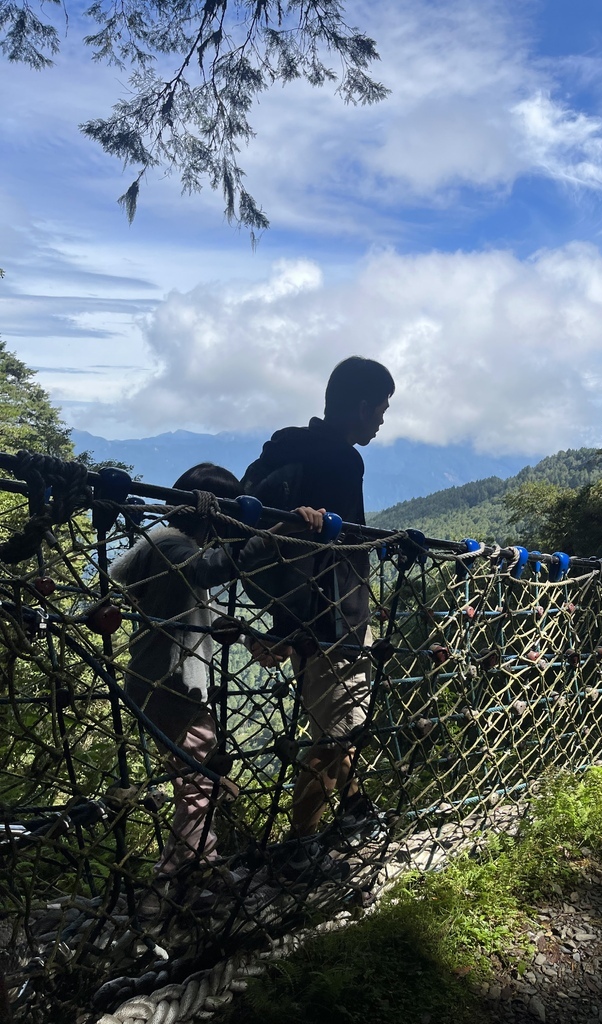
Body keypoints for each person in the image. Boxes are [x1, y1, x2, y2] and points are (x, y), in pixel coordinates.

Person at [111, 462, 324, 892]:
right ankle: (189, 875)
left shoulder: (162, 546)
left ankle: (191, 866)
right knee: (197, 784)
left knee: (198, 780)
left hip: (162, 683)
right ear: (210, 512)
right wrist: (274, 531)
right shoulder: (172, 550)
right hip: (171, 685)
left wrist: (248, 637)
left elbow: (193, 612)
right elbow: (208, 571)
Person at [241, 356, 395, 871]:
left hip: (300, 617)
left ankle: (352, 807)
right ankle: (299, 845)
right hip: (335, 621)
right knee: (335, 732)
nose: (381, 420)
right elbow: (337, 550)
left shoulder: (288, 447)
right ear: (359, 407)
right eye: (380, 409)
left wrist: (284, 626)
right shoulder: (341, 461)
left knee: (334, 722)